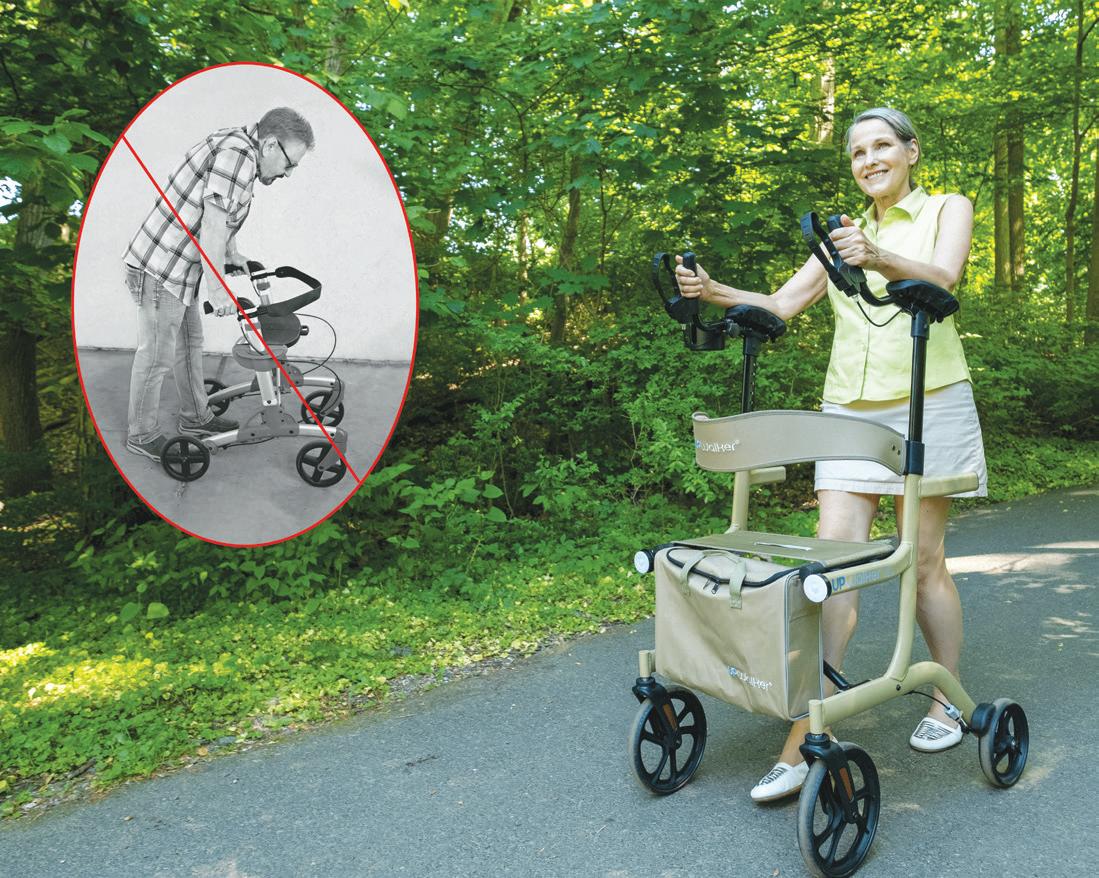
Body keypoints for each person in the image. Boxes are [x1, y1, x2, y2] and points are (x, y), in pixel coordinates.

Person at [674, 107, 987, 802]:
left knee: (922, 562)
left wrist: (876, 256)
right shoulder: (842, 235)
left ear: (910, 151)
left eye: (881, 146)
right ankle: (807, 731)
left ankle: (946, 697)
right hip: (848, 408)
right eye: (856, 152)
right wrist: (712, 290)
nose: (869, 159)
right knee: (832, 566)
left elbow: (943, 278)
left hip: (928, 394)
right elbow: (781, 304)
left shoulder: (947, 207)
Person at [123, 107, 315, 461]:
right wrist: (217, 290)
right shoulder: (237, 156)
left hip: (179, 270)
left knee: (189, 344)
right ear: (270, 144)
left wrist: (232, 252)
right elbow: (211, 225)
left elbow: (220, 213)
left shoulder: (240, 147)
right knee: (156, 357)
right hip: (161, 269)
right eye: (290, 164)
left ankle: (195, 418)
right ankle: (141, 434)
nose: (288, 173)